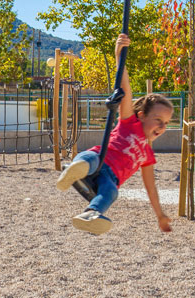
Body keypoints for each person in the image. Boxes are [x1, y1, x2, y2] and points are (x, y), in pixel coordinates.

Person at [57, 33, 173, 235]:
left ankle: (90, 214)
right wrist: (119, 55)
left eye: (165, 123)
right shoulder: (130, 122)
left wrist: (160, 215)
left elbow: (151, 188)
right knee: (90, 160)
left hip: (110, 178)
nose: (162, 127)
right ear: (142, 115)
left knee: (111, 193)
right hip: (100, 159)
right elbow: (124, 88)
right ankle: (74, 170)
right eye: (158, 120)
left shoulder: (147, 154)